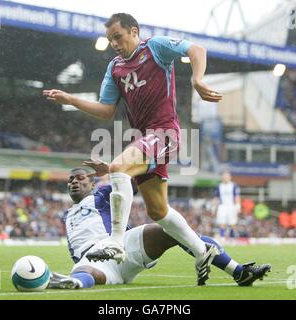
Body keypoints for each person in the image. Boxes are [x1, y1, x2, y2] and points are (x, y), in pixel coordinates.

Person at [43, 13, 223, 284]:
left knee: (117, 167)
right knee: (158, 211)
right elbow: (106, 110)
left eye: (118, 36)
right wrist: (70, 98)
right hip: (145, 138)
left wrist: (197, 80)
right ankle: (201, 251)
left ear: (134, 32)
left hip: (164, 132)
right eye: (110, 39)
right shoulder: (115, 68)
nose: (114, 43)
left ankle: (115, 241)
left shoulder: (155, 47)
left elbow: (197, 49)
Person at [48, 167, 271, 289]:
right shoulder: (67, 215)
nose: (73, 182)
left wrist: (110, 169)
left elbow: (135, 177)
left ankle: (239, 272)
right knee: (82, 272)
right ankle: (74, 282)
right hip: (93, 260)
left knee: (170, 230)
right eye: (70, 180)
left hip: (122, 246)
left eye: (79, 178)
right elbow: (74, 250)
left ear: (92, 183)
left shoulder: (102, 194)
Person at [214, 170, 241, 241]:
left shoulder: (233, 185)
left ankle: (232, 238)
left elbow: (237, 196)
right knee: (222, 222)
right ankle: (222, 237)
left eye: (227, 176)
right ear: (222, 177)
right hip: (222, 206)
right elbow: (216, 197)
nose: (225, 177)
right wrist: (214, 207)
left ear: (230, 177)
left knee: (232, 223)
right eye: (224, 176)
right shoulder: (219, 186)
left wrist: (238, 205)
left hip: (231, 206)